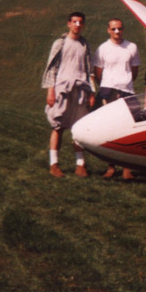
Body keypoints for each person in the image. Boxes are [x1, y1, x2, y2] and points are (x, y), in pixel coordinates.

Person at [42, 11, 96, 177]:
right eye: (74, 22)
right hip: (62, 89)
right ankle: (54, 164)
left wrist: (91, 92)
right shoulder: (60, 43)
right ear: (69, 24)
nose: (77, 25)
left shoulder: (84, 44)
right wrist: (50, 90)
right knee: (57, 126)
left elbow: (89, 70)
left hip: (80, 90)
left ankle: (80, 165)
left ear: (83, 25)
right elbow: (51, 68)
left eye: (80, 22)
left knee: (78, 129)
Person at [93, 18, 140, 180]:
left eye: (119, 29)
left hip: (126, 91)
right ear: (108, 30)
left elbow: (134, 72)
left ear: (123, 29)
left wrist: (124, 83)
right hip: (107, 91)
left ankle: (127, 168)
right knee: (109, 129)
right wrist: (107, 86)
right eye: (113, 29)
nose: (117, 32)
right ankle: (111, 167)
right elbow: (98, 72)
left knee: (127, 129)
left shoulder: (132, 47)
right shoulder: (102, 49)